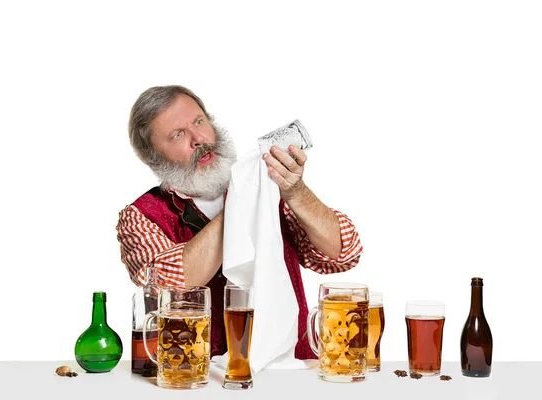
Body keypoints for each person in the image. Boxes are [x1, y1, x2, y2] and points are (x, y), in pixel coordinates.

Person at [116, 85, 363, 359]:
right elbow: (169, 289)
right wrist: (241, 200)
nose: (198, 138)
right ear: (153, 157)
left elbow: (343, 253)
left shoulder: (269, 187)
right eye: (177, 135)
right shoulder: (140, 215)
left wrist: (295, 191)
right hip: (197, 378)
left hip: (290, 371)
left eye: (199, 122)